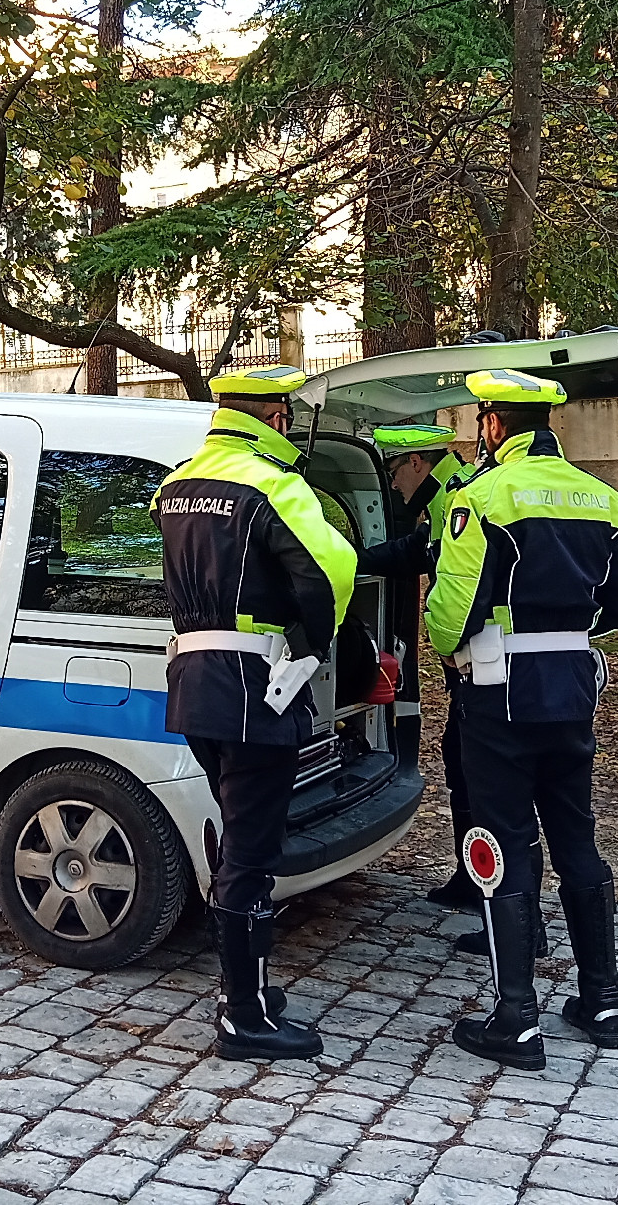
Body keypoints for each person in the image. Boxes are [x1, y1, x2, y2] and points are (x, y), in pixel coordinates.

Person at [424, 368, 618, 1070]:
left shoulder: (481, 496)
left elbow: (449, 616)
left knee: (505, 846)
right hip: (572, 690)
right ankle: (602, 1002)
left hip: (499, 694)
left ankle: (515, 1019)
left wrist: (471, 638)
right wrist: (564, 630)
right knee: (576, 837)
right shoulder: (603, 499)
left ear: (493, 423)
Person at [153, 364, 358, 1062]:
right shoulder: (274, 485)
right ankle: (244, 1017)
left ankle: (252, 994)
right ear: (273, 417)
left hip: (195, 682)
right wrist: (309, 643)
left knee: (237, 834)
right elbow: (332, 571)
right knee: (251, 853)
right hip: (254, 688)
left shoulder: (176, 483)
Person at [356, 426, 485, 913]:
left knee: (472, 771)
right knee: (462, 766)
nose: (391, 486)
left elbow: (460, 585)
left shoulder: (459, 499)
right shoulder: (444, 499)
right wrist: (354, 559)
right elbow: (415, 552)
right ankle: (471, 877)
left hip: (478, 668)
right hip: (472, 669)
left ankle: (485, 889)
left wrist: (447, 643)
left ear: (416, 463)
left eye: (392, 472)